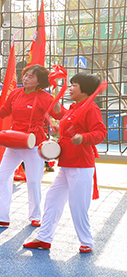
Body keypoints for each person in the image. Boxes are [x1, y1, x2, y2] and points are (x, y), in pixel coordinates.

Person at [23, 73, 106, 252]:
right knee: (53, 198)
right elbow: (69, 131)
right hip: (67, 164)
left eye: (74, 85)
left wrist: (83, 137)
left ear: (85, 90)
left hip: (81, 165)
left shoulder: (91, 109)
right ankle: (44, 238)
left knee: (78, 206)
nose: (70, 88)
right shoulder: (75, 108)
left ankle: (87, 242)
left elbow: (100, 133)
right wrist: (58, 132)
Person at [0, 64, 62, 228]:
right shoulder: (15, 93)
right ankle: (0, 216)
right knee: (2, 176)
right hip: (15, 141)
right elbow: (3, 112)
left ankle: (35, 216)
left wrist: (59, 116)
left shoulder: (45, 97)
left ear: (39, 81)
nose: (25, 78)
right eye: (25, 75)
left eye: (31, 76)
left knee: (33, 181)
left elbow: (61, 114)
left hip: (34, 144)